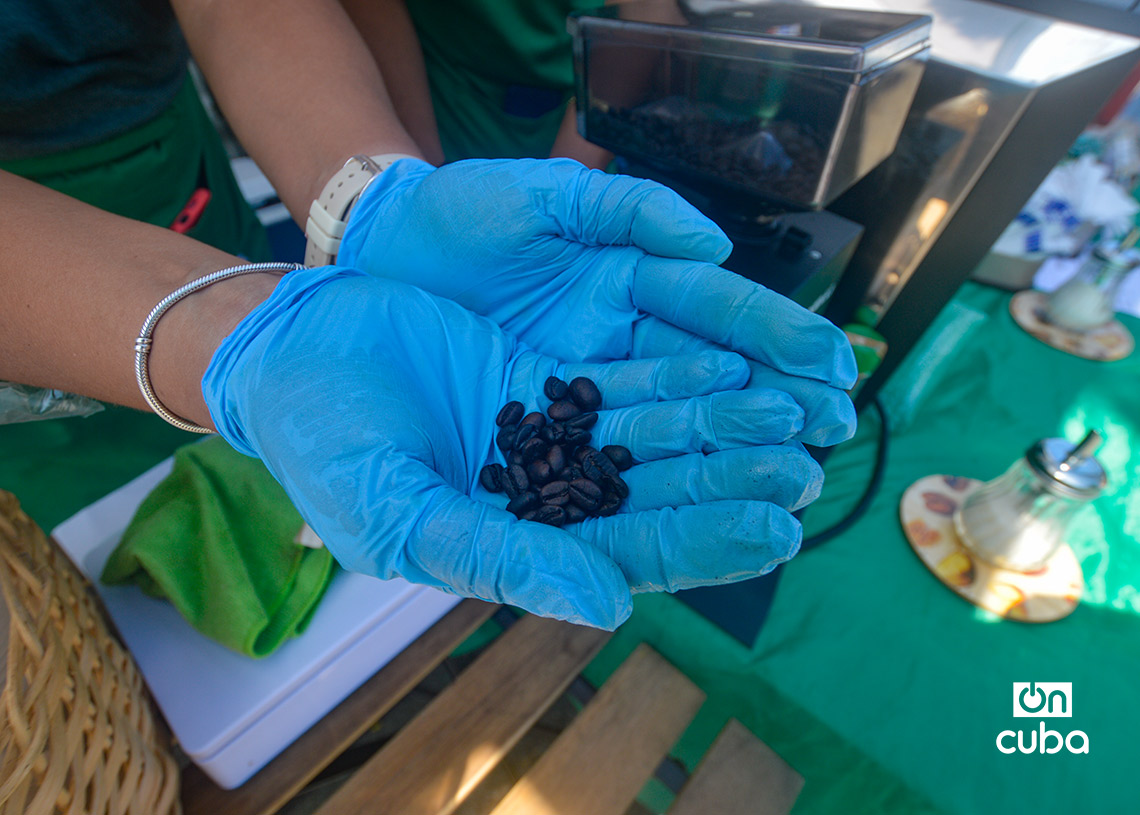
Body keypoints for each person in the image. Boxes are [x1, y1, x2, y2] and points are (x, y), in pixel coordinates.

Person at [0, 0, 858, 629]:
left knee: (320, 462)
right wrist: (233, 339)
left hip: (181, 193)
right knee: (91, 599)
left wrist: (373, 198)